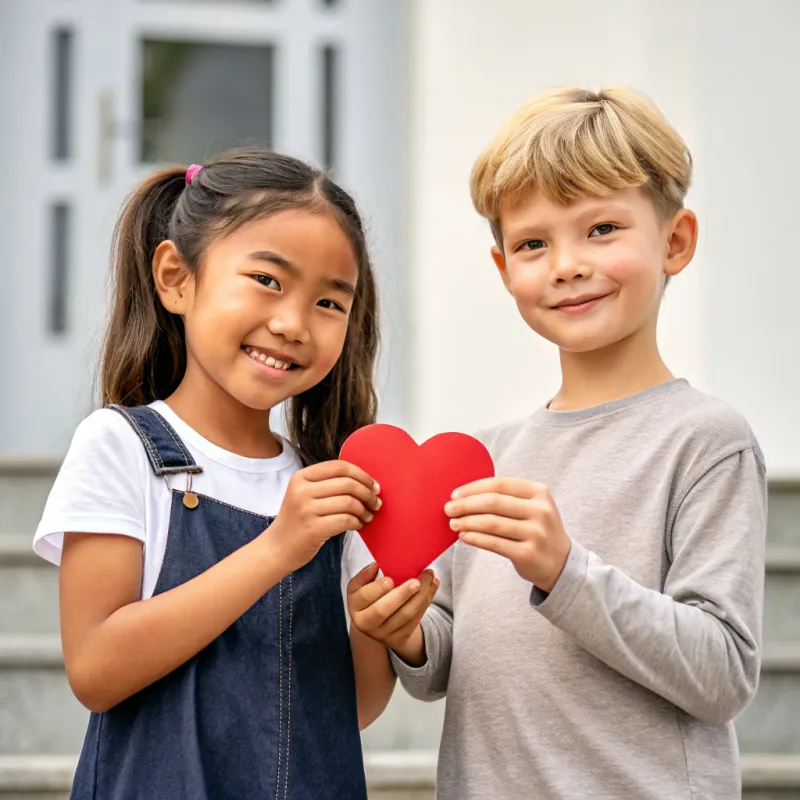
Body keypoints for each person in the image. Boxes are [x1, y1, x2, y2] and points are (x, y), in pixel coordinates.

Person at [349, 87, 767, 799]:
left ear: (675, 241)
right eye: (533, 243)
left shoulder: (706, 442)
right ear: (504, 269)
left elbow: (722, 673)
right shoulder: (485, 456)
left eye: (601, 229)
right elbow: (449, 662)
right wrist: (408, 632)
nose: (567, 264)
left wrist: (566, 572)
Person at [33, 147, 437, 800]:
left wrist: (375, 627)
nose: (292, 324)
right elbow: (97, 667)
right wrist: (278, 549)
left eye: (331, 303)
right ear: (176, 279)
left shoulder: (330, 488)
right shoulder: (120, 446)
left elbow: (349, 710)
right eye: (268, 281)